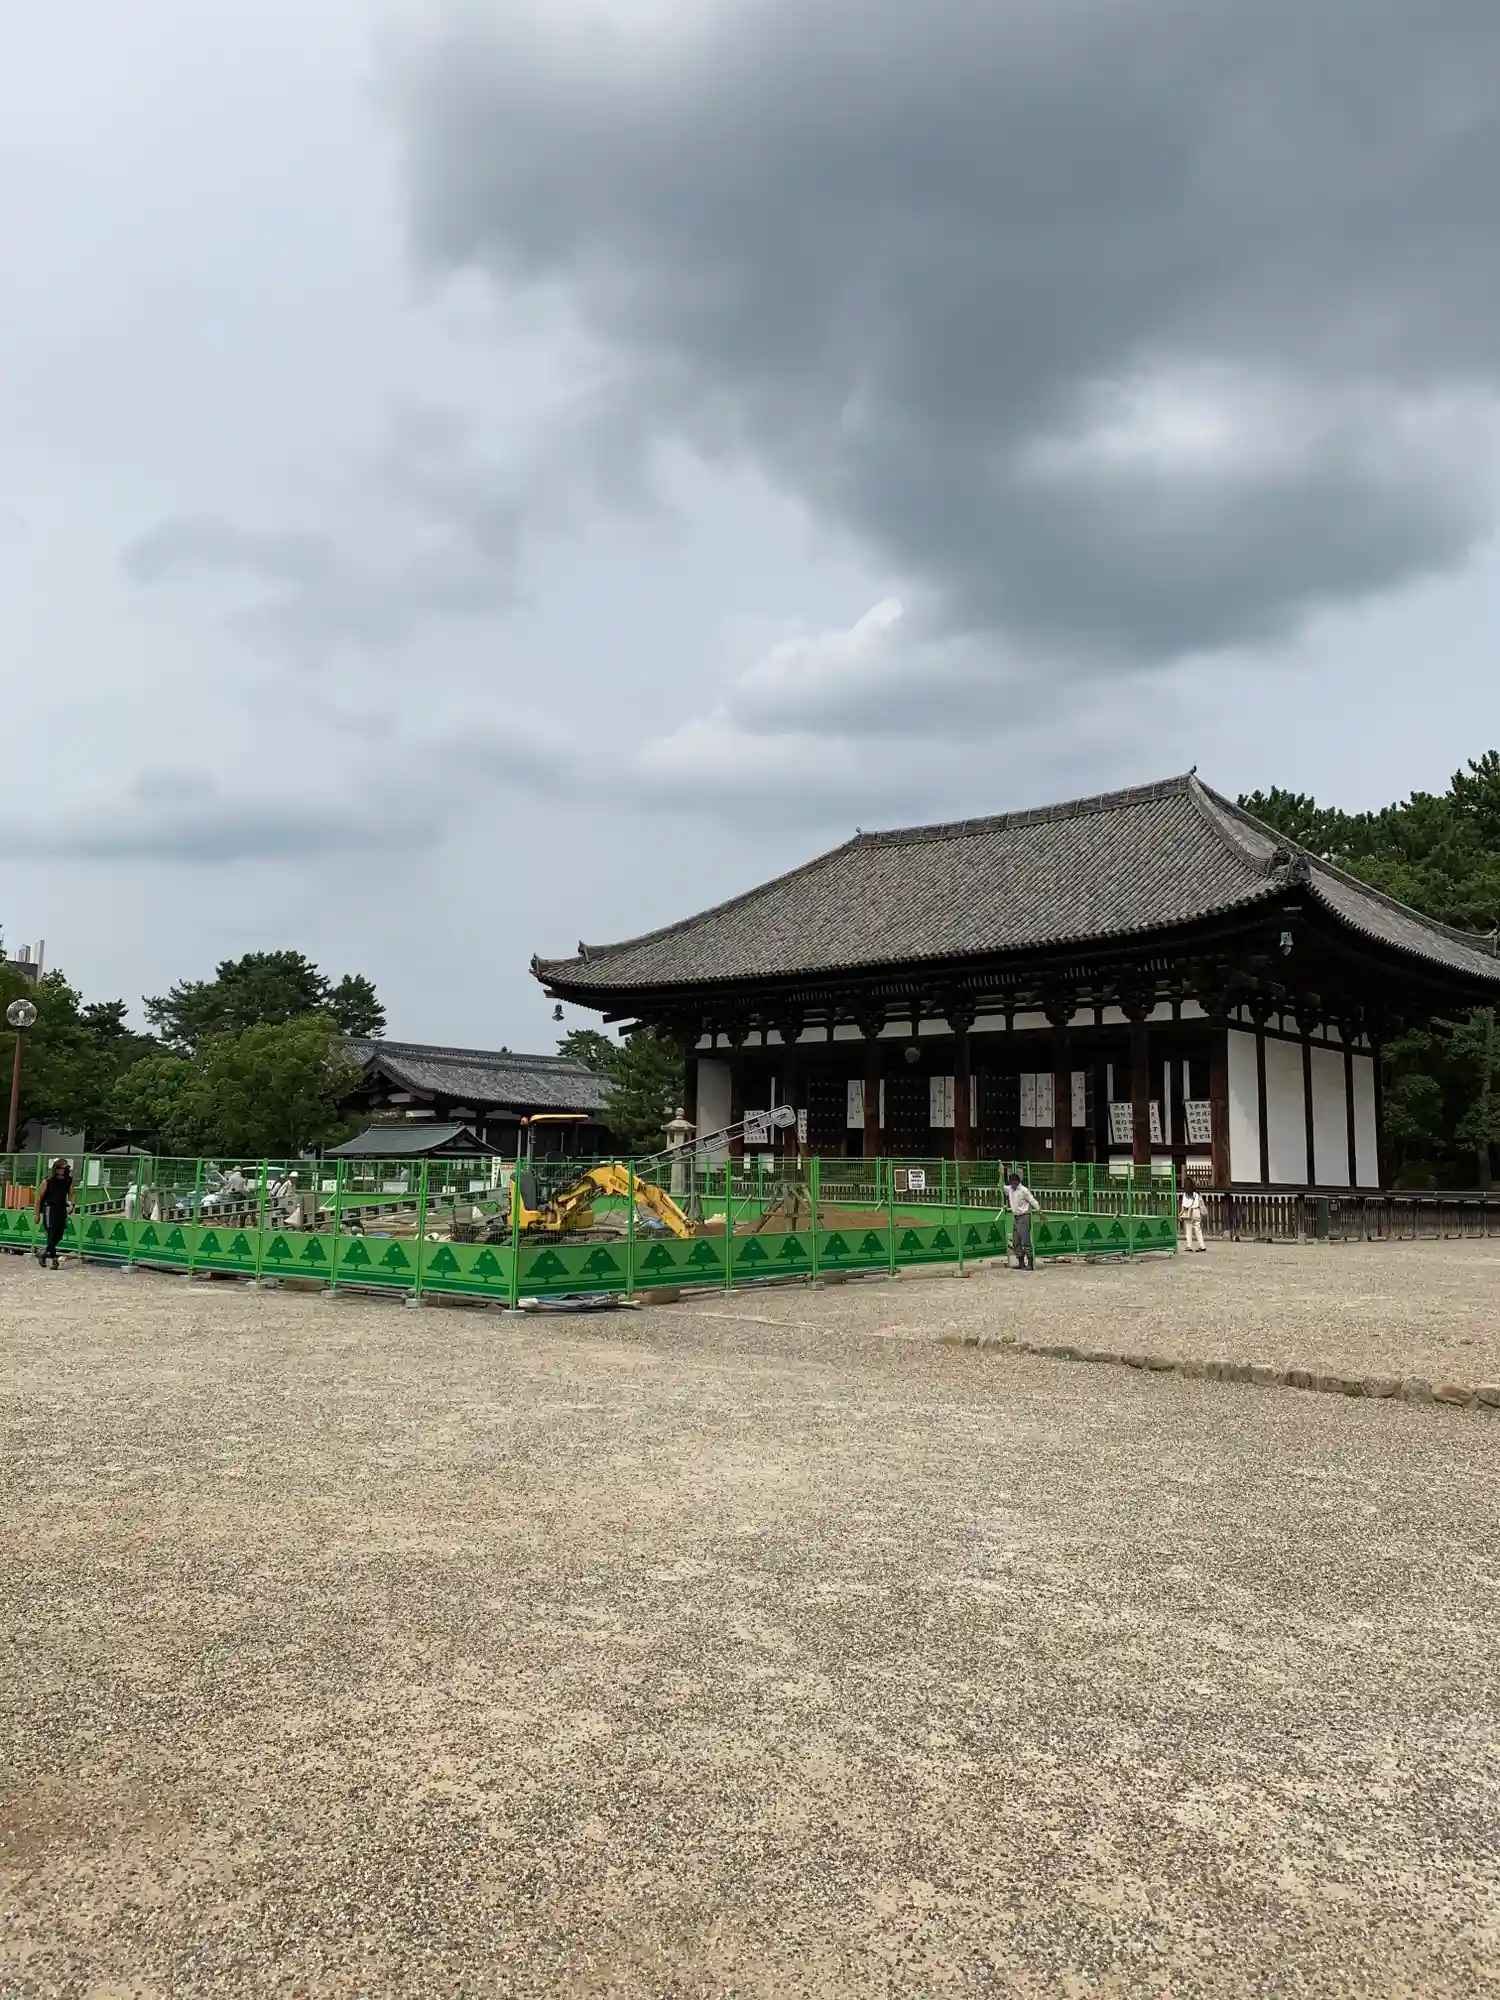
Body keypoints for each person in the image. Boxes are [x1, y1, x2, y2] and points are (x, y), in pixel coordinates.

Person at [34, 1158, 76, 1271]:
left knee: (59, 1234)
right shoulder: (47, 1181)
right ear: (55, 1169)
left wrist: (72, 1205)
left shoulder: (68, 1180)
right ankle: (54, 1259)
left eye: (64, 1168)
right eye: (60, 1168)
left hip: (61, 1209)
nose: (62, 1171)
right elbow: (39, 1198)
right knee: (52, 1233)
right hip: (49, 1208)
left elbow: (72, 1193)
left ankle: (43, 1252)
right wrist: (37, 1214)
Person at [1005, 1170, 1042, 1271]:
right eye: (1011, 1183)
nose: (1013, 1185)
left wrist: (1039, 1210)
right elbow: (1000, 1187)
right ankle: (1021, 1263)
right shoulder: (1009, 1189)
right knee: (1015, 1241)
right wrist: (1001, 1172)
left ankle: (1030, 1263)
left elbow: (1032, 1200)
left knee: (1025, 1241)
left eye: (1014, 1183)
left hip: (1024, 1217)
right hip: (1016, 1217)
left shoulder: (1024, 1190)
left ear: (1018, 1182)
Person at [1180, 1183, 1207, 1252]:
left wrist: (1181, 1213)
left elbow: (1184, 1206)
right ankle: (1202, 1246)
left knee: (1188, 1229)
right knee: (1198, 1230)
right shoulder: (1197, 1194)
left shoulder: (1186, 1194)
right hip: (1197, 1211)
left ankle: (1189, 1246)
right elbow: (1201, 1203)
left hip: (1189, 1212)